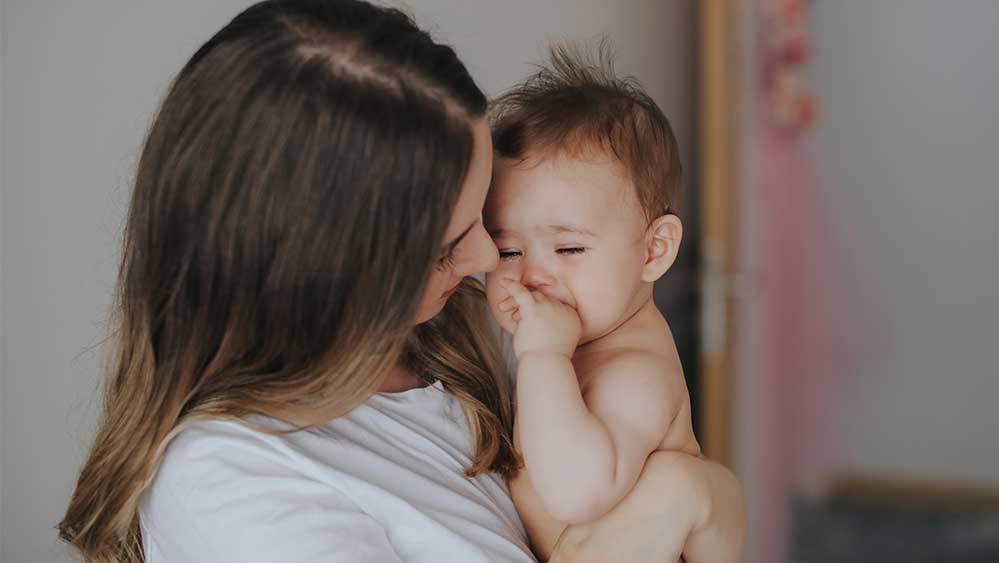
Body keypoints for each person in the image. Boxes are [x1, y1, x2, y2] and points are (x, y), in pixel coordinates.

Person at [57, 1, 745, 562]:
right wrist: (682, 499)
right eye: (452, 245)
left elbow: (696, 498)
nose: (485, 261)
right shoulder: (232, 481)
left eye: (482, 219)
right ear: (331, 276)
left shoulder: (468, 334)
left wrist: (698, 495)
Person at [484, 46, 739, 562]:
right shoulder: (579, 340)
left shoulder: (636, 375)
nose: (532, 275)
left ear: (654, 250)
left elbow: (575, 494)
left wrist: (544, 358)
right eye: (507, 250)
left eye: (570, 248)